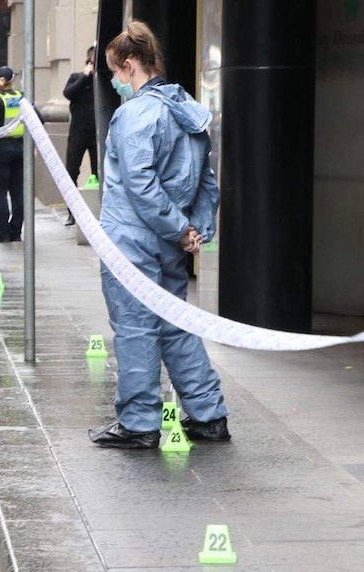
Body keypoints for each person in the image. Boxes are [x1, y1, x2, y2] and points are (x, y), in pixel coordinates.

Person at [88, 21, 230, 449]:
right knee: (176, 326)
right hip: (170, 244)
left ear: (131, 66)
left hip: (132, 240)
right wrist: (194, 231)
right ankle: (208, 414)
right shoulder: (186, 108)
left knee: (135, 329)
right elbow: (208, 182)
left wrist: (181, 228)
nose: (114, 80)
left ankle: (139, 423)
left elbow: (139, 184)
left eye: (115, 71)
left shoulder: (134, 114)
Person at [0, 66, 27, 243]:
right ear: (12, 80)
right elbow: (39, 118)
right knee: (18, 192)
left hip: (1, 150)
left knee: (0, 193)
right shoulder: (21, 98)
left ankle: (2, 232)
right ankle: (16, 231)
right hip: (20, 148)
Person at [62, 45, 98, 227]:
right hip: (77, 133)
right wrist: (84, 75)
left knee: (99, 172)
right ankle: (72, 213)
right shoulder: (77, 78)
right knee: (71, 173)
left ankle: (99, 211)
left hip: (96, 134)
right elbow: (67, 93)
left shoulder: (102, 80)